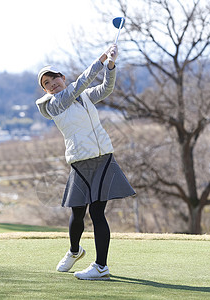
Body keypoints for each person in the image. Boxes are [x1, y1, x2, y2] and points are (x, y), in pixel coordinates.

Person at [36, 44, 136, 281]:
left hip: (102, 157)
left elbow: (105, 88)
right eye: (46, 84)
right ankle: (74, 251)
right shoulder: (54, 104)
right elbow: (78, 85)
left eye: (54, 79)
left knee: (97, 212)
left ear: (62, 77)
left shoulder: (82, 95)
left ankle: (101, 266)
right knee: (77, 212)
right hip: (80, 161)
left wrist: (110, 65)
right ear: (46, 90)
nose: (52, 84)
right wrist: (100, 60)